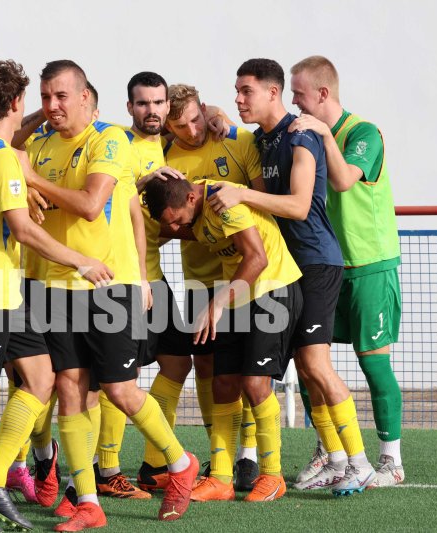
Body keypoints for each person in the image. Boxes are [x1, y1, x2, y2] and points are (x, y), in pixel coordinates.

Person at [0, 59, 114, 533]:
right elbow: (23, 230)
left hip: (0, 291)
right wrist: (80, 260)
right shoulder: (0, 156)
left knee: (40, 377)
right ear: (15, 103)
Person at [21, 60, 198, 530]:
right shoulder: (37, 144)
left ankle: (182, 466)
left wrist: (139, 277)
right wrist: (26, 165)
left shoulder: (110, 139)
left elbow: (92, 204)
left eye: (60, 96)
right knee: (71, 391)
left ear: (85, 97)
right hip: (52, 286)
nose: (52, 106)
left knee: (119, 390)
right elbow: (130, 212)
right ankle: (88, 503)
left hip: (106, 288)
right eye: (44, 97)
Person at [209, 58, 375, 495]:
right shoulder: (262, 139)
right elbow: (231, 131)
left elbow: (300, 206)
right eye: (236, 90)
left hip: (317, 261)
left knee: (318, 365)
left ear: (272, 92)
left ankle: (360, 462)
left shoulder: (301, 135)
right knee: (305, 368)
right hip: (288, 269)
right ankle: (336, 460)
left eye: (246, 90)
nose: (238, 98)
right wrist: (214, 120)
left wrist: (240, 193)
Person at [144, 175, 303, 503]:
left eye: (176, 219)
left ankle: (272, 475)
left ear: (190, 199)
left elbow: (258, 258)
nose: (174, 228)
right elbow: (164, 226)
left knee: (255, 383)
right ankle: (220, 477)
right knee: (223, 382)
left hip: (272, 289)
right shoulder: (193, 211)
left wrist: (216, 303)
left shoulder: (220, 200)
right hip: (237, 294)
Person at [288, 55, 404, 488]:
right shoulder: (303, 133)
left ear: (322, 93)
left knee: (374, 365)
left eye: (299, 94)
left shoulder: (363, 133)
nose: (294, 102)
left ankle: (390, 459)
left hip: (370, 266)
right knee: (309, 364)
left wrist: (322, 134)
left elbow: (343, 181)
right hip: (325, 268)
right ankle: (330, 455)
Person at [147, 83, 262, 493]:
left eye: (196, 118)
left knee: (246, 368)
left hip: (245, 272)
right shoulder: (165, 154)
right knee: (208, 365)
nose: (192, 129)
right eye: (180, 124)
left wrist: (218, 117)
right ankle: (221, 454)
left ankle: (248, 451)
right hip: (199, 275)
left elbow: (261, 198)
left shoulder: (229, 138)